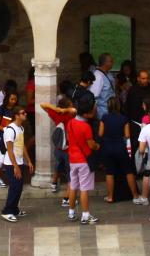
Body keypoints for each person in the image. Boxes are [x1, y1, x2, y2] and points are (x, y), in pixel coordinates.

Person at [61, 95, 102, 225]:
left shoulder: (71, 122)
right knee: (84, 188)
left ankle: (71, 213)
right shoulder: (86, 127)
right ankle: (85, 215)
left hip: (72, 159)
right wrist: (97, 145)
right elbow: (91, 145)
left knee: (73, 186)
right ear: (87, 113)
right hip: (84, 160)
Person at [98, 95, 140, 204]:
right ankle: (135, 195)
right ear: (119, 106)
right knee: (128, 171)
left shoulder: (104, 117)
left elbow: (100, 133)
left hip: (107, 147)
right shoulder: (123, 118)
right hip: (120, 147)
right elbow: (127, 135)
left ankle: (110, 197)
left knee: (109, 172)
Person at [0, 105, 29, 223]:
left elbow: (22, 145)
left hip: (19, 162)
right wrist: (15, 166)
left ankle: (14, 209)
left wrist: (28, 160)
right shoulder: (10, 130)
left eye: (25, 113)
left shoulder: (21, 128)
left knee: (19, 187)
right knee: (14, 187)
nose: (25, 114)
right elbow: (9, 150)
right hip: (11, 164)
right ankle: (7, 211)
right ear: (16, 115)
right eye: (23, 113)